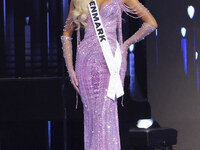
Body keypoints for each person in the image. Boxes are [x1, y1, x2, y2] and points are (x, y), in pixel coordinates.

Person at [61, 0, 157, 149]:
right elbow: (67, 34)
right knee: (93, 118)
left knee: (105, 115)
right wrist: (70, 69)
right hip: (85, 62)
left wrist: (125, 44)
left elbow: (151, 23)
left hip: (110, 62)